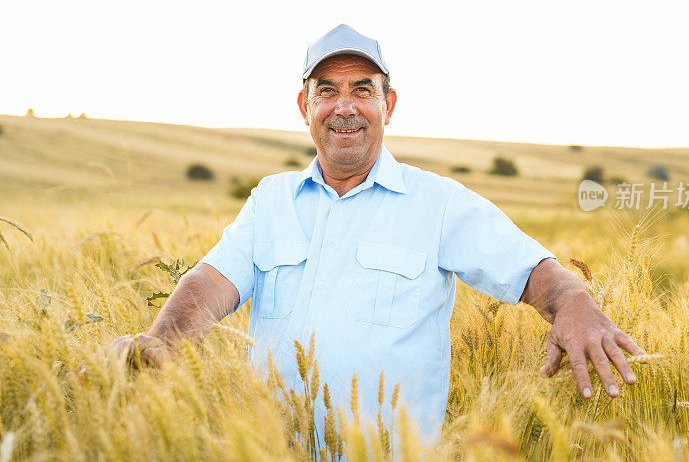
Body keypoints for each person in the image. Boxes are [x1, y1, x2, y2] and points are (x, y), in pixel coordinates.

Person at [108, 24, 644, 445]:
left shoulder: (437, 203)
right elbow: (209, 284)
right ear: (305, 108)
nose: (345, 106)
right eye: (327, 91)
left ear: (388, 105)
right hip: (272, 449)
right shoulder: (270, 200)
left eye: (362, 90)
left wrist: (573, 301)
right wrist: (161, 342)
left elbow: (531, 271)